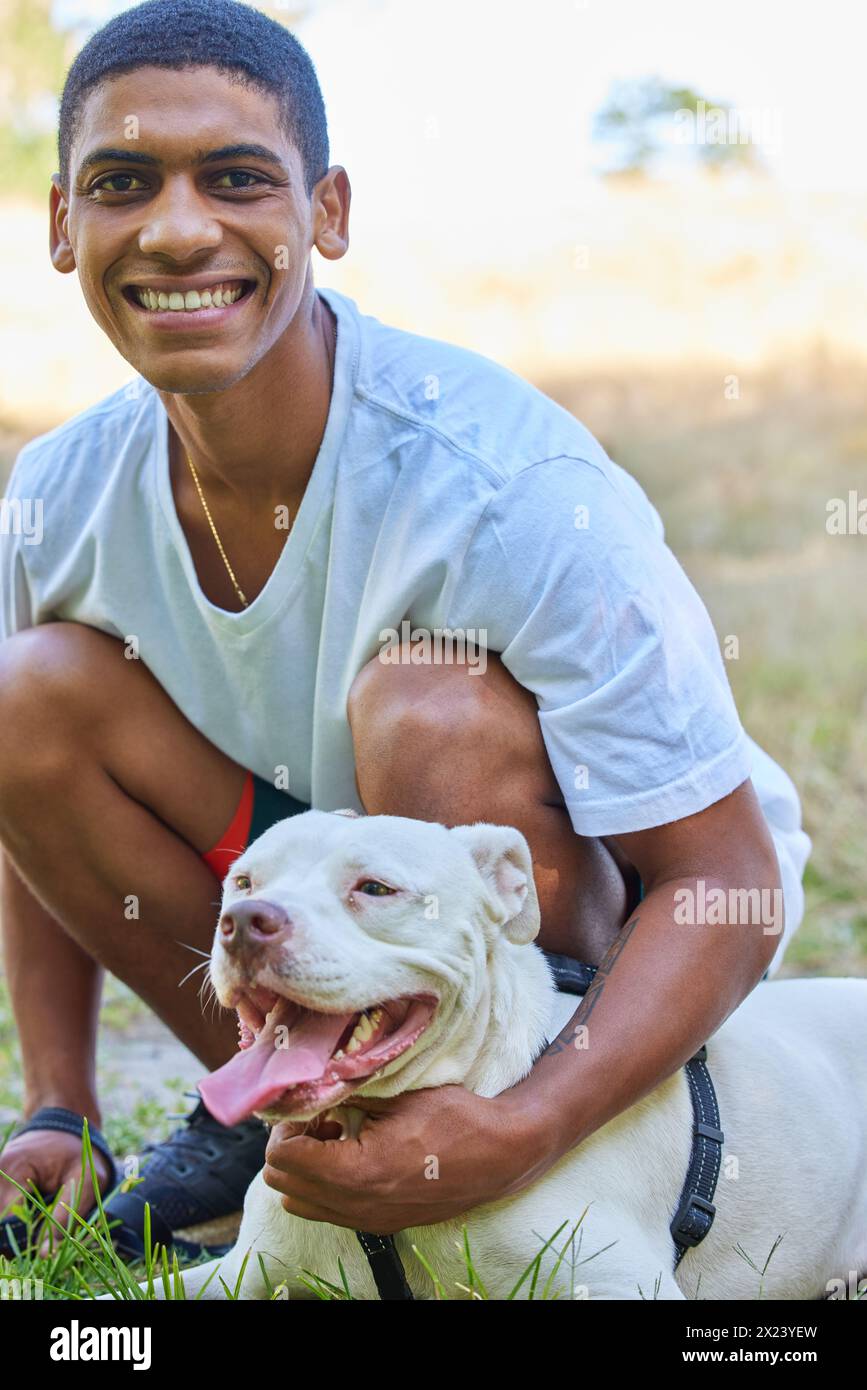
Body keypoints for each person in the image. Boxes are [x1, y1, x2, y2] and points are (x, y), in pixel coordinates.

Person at [0, 0, 810, 1260]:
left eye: (235, 179)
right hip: (320, 900)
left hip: (596, 915)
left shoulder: (503, 485)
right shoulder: (56, 497)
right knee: (24, 693)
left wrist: (533, 1118)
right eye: (120, 182)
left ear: (324, 213)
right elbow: (27, 806)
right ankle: (281, 1087)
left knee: (424, 704)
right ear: (64, 223)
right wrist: (58, 1101)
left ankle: (498, 1130)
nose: (174, 227)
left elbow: (727, 880)